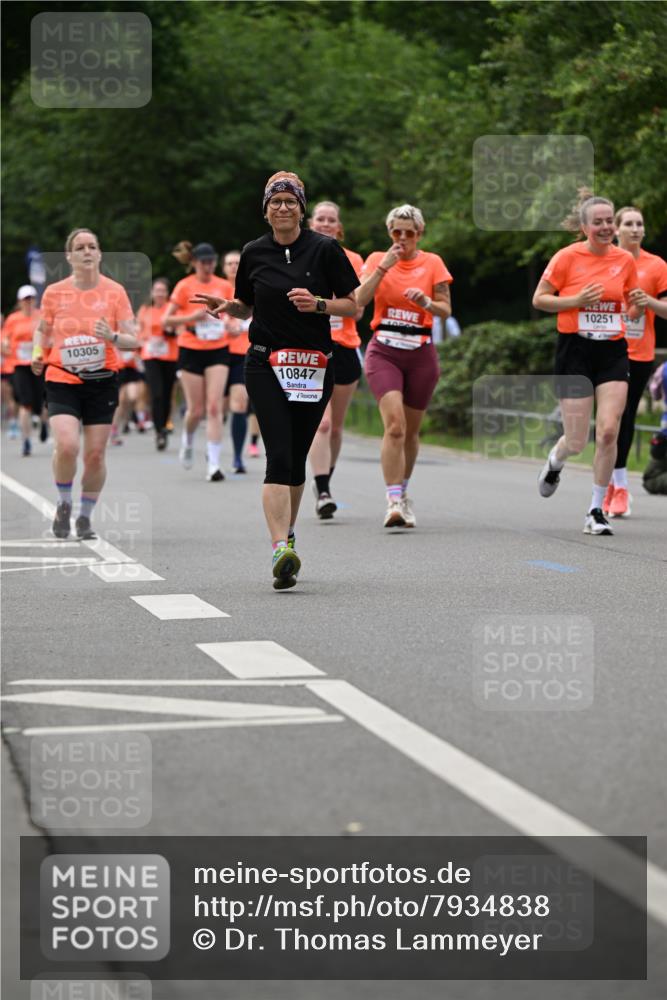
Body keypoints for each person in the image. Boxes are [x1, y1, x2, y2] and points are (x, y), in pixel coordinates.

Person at [191, 170, 359, 590]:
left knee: (296, 458)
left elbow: (352, 307)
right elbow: (248, 307)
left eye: (290, 202)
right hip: (264, 363)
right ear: (265, 211)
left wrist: (319, 304)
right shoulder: (254, 252)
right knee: (278, 454)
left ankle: (287, 535)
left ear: (301, 209)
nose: (282, 208)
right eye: (275, 202)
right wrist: (226, 306)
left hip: (315, 366)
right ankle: (279, 547)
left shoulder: (325, 250)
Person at [532, 192, 644, 535]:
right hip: (575, 350)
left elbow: (632, 305)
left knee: (609, 430)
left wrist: (636, 305)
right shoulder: (567, 257)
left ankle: (595, 510)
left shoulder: (624, 260)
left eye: (609, 221)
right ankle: (556, 461)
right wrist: (576, 300)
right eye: (598, 222)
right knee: (577, 440)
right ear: (584, 227)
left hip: (612, 350)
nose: (606, 227)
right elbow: (540, 299)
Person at [31, 228, 138, 539]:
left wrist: (113, 337)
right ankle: (64, 503)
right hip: (62, 377)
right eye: (80, 247)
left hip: (102, 380)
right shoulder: (54, 292)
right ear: (69, 256)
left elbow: (134, 340)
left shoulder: (115, 292)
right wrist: (39, 352)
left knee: (94, 455)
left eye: (92, 246)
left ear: (100, 254)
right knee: (67, 445)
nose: (87, 251)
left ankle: (85, 517)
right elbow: (41, 331)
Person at [355, 204, 453, 528]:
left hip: (420, 352)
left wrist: (426, 302)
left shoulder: (433, 263)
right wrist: (383, 267)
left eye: (409, 233)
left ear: (419, 234)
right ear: (389, 232)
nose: (402, 238)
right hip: (384, 350)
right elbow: (358, 299)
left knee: (410, 431)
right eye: (396, 232)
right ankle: (393, 500)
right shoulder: (376, 260)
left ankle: (404, 491)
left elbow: (445, 310)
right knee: (394, 426)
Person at [602, 206, 667, 516]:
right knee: (608, 421)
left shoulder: (656, 266)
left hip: (638, 353)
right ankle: (608, 485)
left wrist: (647, 302)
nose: (635, 228)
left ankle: (620, 486)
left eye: (639, 223)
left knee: (624, 417)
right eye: (628, 223)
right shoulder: (604, 261)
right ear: (616, 229)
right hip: (603, 349)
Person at [307, 201, 364, 519]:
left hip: (344, 346)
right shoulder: (301, 256)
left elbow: (358, 310)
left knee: (338, 427)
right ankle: (324, 489)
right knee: (322, 423)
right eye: (320, 219)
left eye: (331, 220)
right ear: (311, 223)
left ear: (338, 227)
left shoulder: (353, 259)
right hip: (311, 347)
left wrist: (326, 305)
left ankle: (324, 478)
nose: (326, 224)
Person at [163, 242, 233, 480]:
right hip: (191, 347)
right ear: (194, 262)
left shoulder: (223, 285)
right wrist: (193, 316)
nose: (208, 266)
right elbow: (166, 320)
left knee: (214, 408)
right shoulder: (184, 286)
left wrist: (231, 323)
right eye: (203, 262)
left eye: (211, 261)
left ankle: (213, 464)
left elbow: (235, 312)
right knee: (196, 410)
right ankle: (188, 440)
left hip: (218, 348)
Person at [2, 285, 45, 455]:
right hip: (20, 365)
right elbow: (4, 338)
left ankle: (43, 424)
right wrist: (5, 344)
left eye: (31, 298)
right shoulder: (13, 319)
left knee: (41, 402)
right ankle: (26, 440)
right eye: (25, 299)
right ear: (20, 302)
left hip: (39, 363)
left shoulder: (41, 316)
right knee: (25, 404)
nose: (29, 302)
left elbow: (50, 335)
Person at [138, 277, 178, 450]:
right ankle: (159, 431)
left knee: (168, 394)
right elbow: (139, 331)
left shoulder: (172, 309)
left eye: (163, 290)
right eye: (157, 290)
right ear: (152, 293)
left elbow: (181, 328)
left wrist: (171, 331)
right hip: (150, 356)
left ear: (167, 293)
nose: (160, 293)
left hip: (170, 356)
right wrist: (142, 342)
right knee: (157, 394)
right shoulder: (145, 310)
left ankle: (164, 424)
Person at [221, 250, 252, 473]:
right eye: (229, 263)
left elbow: (261, 316)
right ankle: (211, 447)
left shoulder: (251, 287)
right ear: (223, 268)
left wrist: (240, 327)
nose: (233, 267)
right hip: (217, 354)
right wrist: (224, 326)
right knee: (216, 409)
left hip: (242, 353)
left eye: (237, 263)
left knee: (239, 405)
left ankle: (238, 457)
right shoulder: (215, 287)